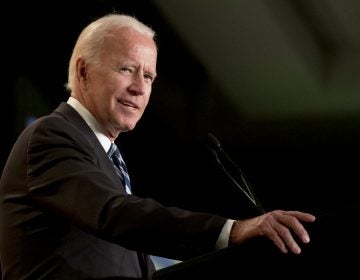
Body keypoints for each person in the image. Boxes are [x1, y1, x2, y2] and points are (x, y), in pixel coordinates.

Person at [0, 13, 316, 279]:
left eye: (149, 76)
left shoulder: (107, 158)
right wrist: (230, 231)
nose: (139, 88)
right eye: (126, 69)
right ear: (84, 71)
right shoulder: (51, 137)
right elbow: (114, 214)